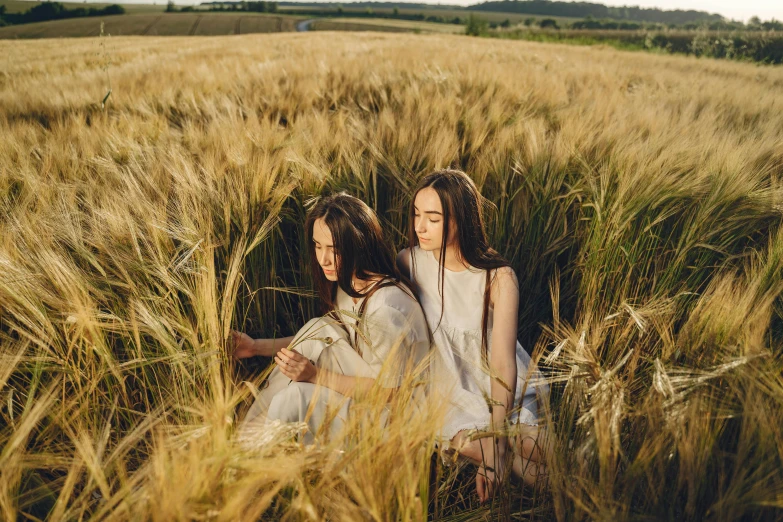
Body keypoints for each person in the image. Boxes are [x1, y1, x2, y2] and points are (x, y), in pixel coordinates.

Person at [397, 169, 548, 502]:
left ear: (459, 220)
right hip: (445, 390)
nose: (419, 227)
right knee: (503, 456)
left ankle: (588, 472)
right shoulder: (408, 262)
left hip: (497, 387)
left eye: (432, 219)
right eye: (416, 215)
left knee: (525, 442)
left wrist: (497, 435)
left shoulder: (498, 276)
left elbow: (503, 363)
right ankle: (591, 488)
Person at [232, 193, 430, 444]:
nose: (323, 259)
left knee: (295, 397)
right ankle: (246, 445)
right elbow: (321, 338)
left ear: (359, 245)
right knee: (318, 327)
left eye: (333, 249)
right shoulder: (349, 284)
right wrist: (255, 347)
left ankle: (250, 454)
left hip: (395, 422)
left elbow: (391, 394)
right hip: (365, 393)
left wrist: (315, 376)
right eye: (317, 246)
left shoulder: (385, 310)